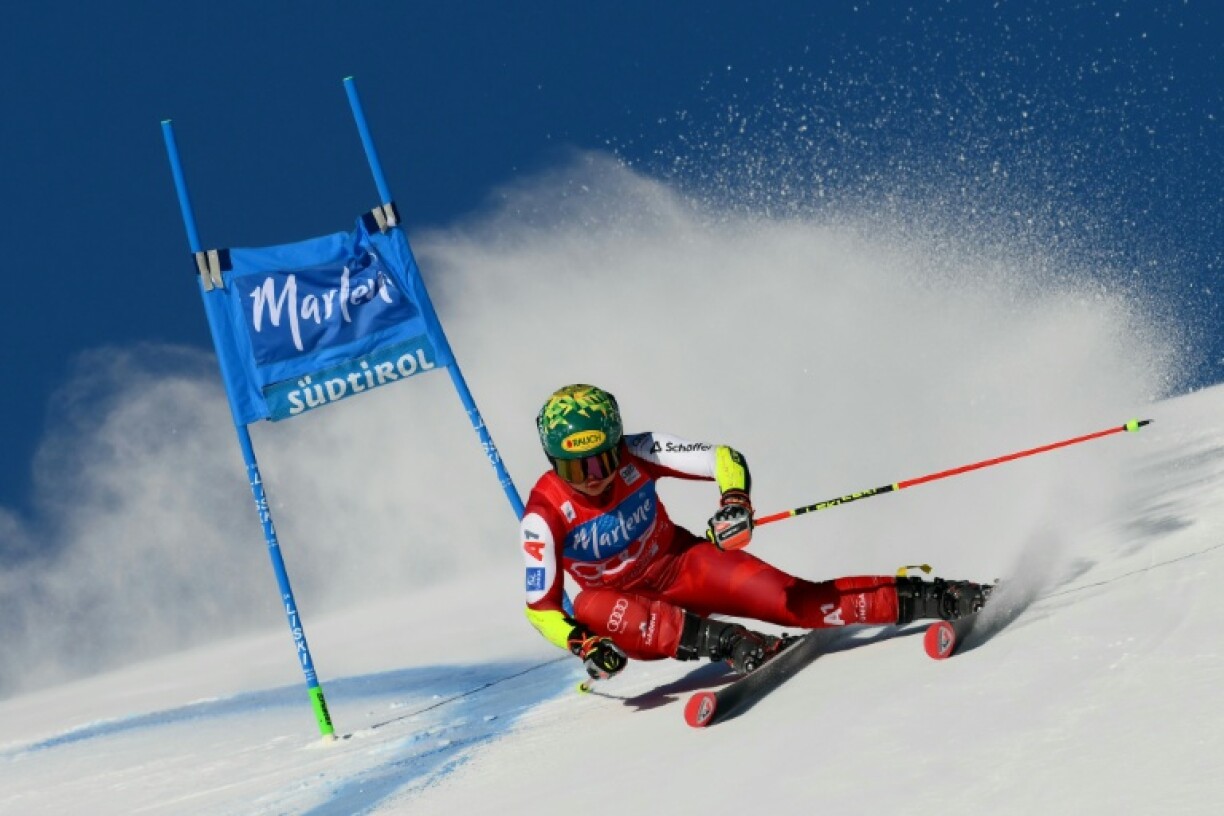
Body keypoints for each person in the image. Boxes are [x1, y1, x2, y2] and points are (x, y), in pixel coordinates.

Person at [521, 384, 991, 682]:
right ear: (552, 462)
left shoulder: (640, 450)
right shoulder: (544, 514)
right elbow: (541, 608)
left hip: (682, 567)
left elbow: (721, 457)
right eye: (575, 468)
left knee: (794, 602)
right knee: (588, 605)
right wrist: (584, 643)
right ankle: (732, 642)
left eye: (603, 460)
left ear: (618, 443)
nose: (593, 477)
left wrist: (734, 503)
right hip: (631, 618)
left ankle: (944, 597)